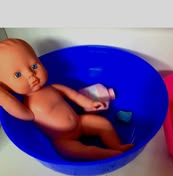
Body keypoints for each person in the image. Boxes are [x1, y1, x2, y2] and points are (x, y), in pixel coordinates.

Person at [0, 38, 134, 160]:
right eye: (18, 75)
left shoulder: (54, 87)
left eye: (34, 66)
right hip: (63, 139)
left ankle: (117, 146)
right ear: (6, 87)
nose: (31, 74)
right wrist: (2, 95)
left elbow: (74, 95)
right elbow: (14, 107)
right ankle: (110, 155)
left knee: (103, 124)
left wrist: (90, 103)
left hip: (80, 122)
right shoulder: (28, 107)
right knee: (79, 152)